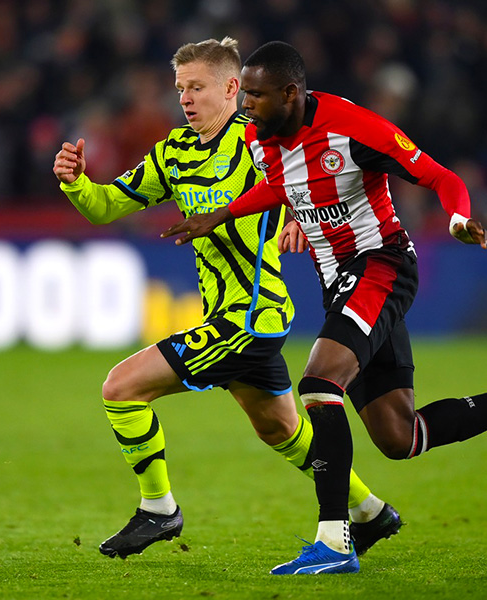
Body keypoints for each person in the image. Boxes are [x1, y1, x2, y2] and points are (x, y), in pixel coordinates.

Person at [162, 41, 487, 575]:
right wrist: (222, 214)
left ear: (290, 93)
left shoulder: (353, 128)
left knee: (319, 383)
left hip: (381, 265)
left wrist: (457, 219)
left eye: (255, 95)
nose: (246, 106)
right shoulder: (261, 136)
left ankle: (333, 541)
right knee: (400, 437)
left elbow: (441, 177)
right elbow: (281, 187)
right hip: (339, 282)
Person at [52, 38, 402, 561]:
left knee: (121, 388)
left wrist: (298, 220)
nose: (185, 98)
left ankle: (158, 509)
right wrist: (77, 183)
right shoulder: (174, 152)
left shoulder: (259, 141)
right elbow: (106, 207)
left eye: (197, 87)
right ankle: (370, 511)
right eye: (180, 88)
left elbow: (310, 181)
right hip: (226, 315)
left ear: (233, 88)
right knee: (281, 430)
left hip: (251, 318)